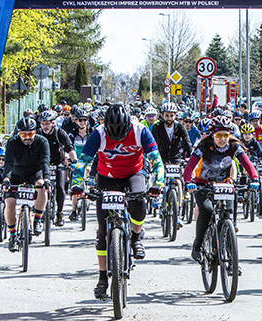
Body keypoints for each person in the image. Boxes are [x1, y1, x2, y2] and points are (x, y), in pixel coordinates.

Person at [71, 104, 164, 299]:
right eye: (114, 135)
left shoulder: (141, 130)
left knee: (139, 203)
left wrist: (158, 183)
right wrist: (77, 184)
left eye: (121, 134)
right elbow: (82, 161)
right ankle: (102, 277)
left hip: (134, 172)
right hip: (107, 177)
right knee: (102, 231)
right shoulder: (98, 133)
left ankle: (137, 237)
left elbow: (156, 160)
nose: (118, 139)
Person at [182, 118, 259, 261]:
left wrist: (254, 178)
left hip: (224, 184)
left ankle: (232, 255)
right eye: (219, 136)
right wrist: (188, 182)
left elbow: (247, 164)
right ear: (212, 135)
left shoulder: (234, 146)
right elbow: (189, 168)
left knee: (228, 215)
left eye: (226, 135)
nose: (222, 139)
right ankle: (197, 245)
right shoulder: (202, 147)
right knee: (206, 210)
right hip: (203, 184)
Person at [2, 118, 51, 252]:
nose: (27, 137)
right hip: (16, 174)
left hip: (34, 172)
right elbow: (8, 163)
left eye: (30, 134)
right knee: (10, 203)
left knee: (41, 185)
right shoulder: (12, 142)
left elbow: (45, 162)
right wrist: (6, 178)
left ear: (35, 132)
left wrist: (47, 178)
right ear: (18, 133)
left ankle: (37, 220)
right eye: (23, 135)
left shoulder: (42, 142)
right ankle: (12, 236)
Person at [151, 101, 193, 212]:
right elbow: (153, 143)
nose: (169, 118)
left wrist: (189, 156)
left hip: (176, 158)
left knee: (178, 182)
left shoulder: (180, 127)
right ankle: (157, 198)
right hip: (161, 157)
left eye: (171, 115)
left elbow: (187, 141)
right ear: (162, 115)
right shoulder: (157, 127)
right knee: (159, 178)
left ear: (175, 116)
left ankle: (178, 210)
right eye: (167, 115)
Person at [38, 109, 76, 226]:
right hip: (42, 164)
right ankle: (39, 212)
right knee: (39, 187)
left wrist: (74, 162)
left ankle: (59, 213)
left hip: (57, 164)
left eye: (47, 123)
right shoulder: (38, 133)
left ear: (53, 123)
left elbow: (70, 148)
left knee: (60, 187)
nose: (45, 126)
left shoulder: (60, 133)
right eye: (43, 123)